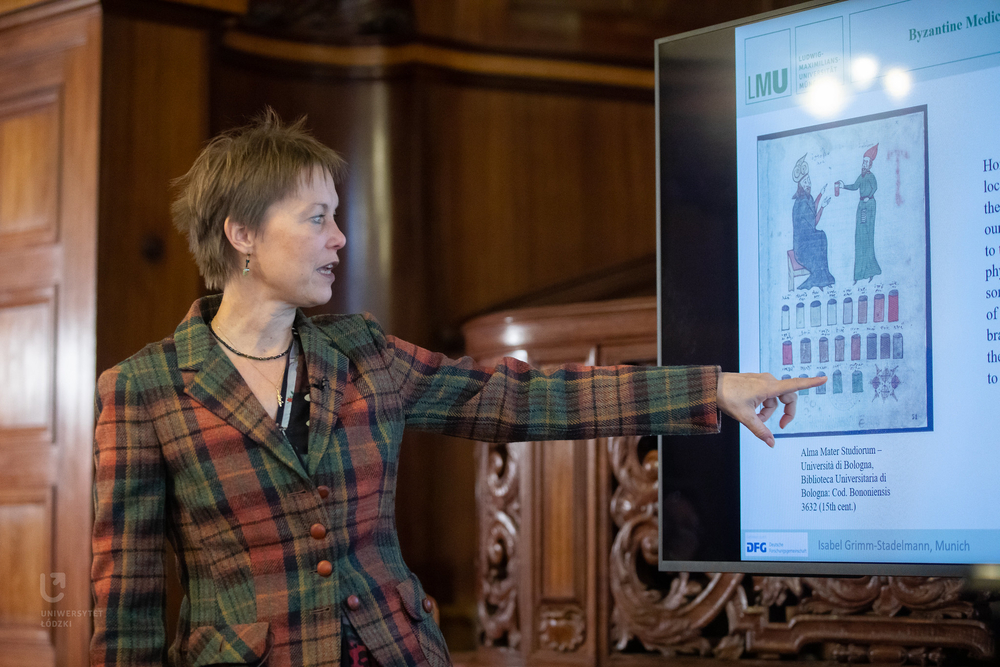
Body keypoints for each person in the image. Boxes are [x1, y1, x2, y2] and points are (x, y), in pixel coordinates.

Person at [91, 111, 825, 667]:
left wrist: (712, 388)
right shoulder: (143, 390)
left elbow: (530, 398)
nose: (339, 237)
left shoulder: (364, 354)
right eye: (317, 218)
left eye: (337, 217)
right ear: (242, 234)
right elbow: (125, 606)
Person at [836, 143, 881, 283]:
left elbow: (875, 187)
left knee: (868, 238)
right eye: (863, 162)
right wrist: (843, 187)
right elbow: (855, 186)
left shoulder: (871, 176)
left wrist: (869, 196)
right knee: (859, 239)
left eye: (866, 162)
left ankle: (871, 271)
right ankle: (859, 274)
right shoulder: (861, 177)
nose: (864, 164)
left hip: (870, 206)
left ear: (870, 165)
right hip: (861, 205)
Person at [790, 154, 835, 290]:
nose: (808, 183)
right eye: (805, 182)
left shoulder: (808, 198)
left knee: (821, 235)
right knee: (820, 237)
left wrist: (820, 195)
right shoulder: (800, 203)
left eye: (808, 180)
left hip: (809, 239)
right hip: (803, 247)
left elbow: (812, 211)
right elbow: (813, 221)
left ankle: (823, 276)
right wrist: (822, 207)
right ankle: (820, 278)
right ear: (800, 186)